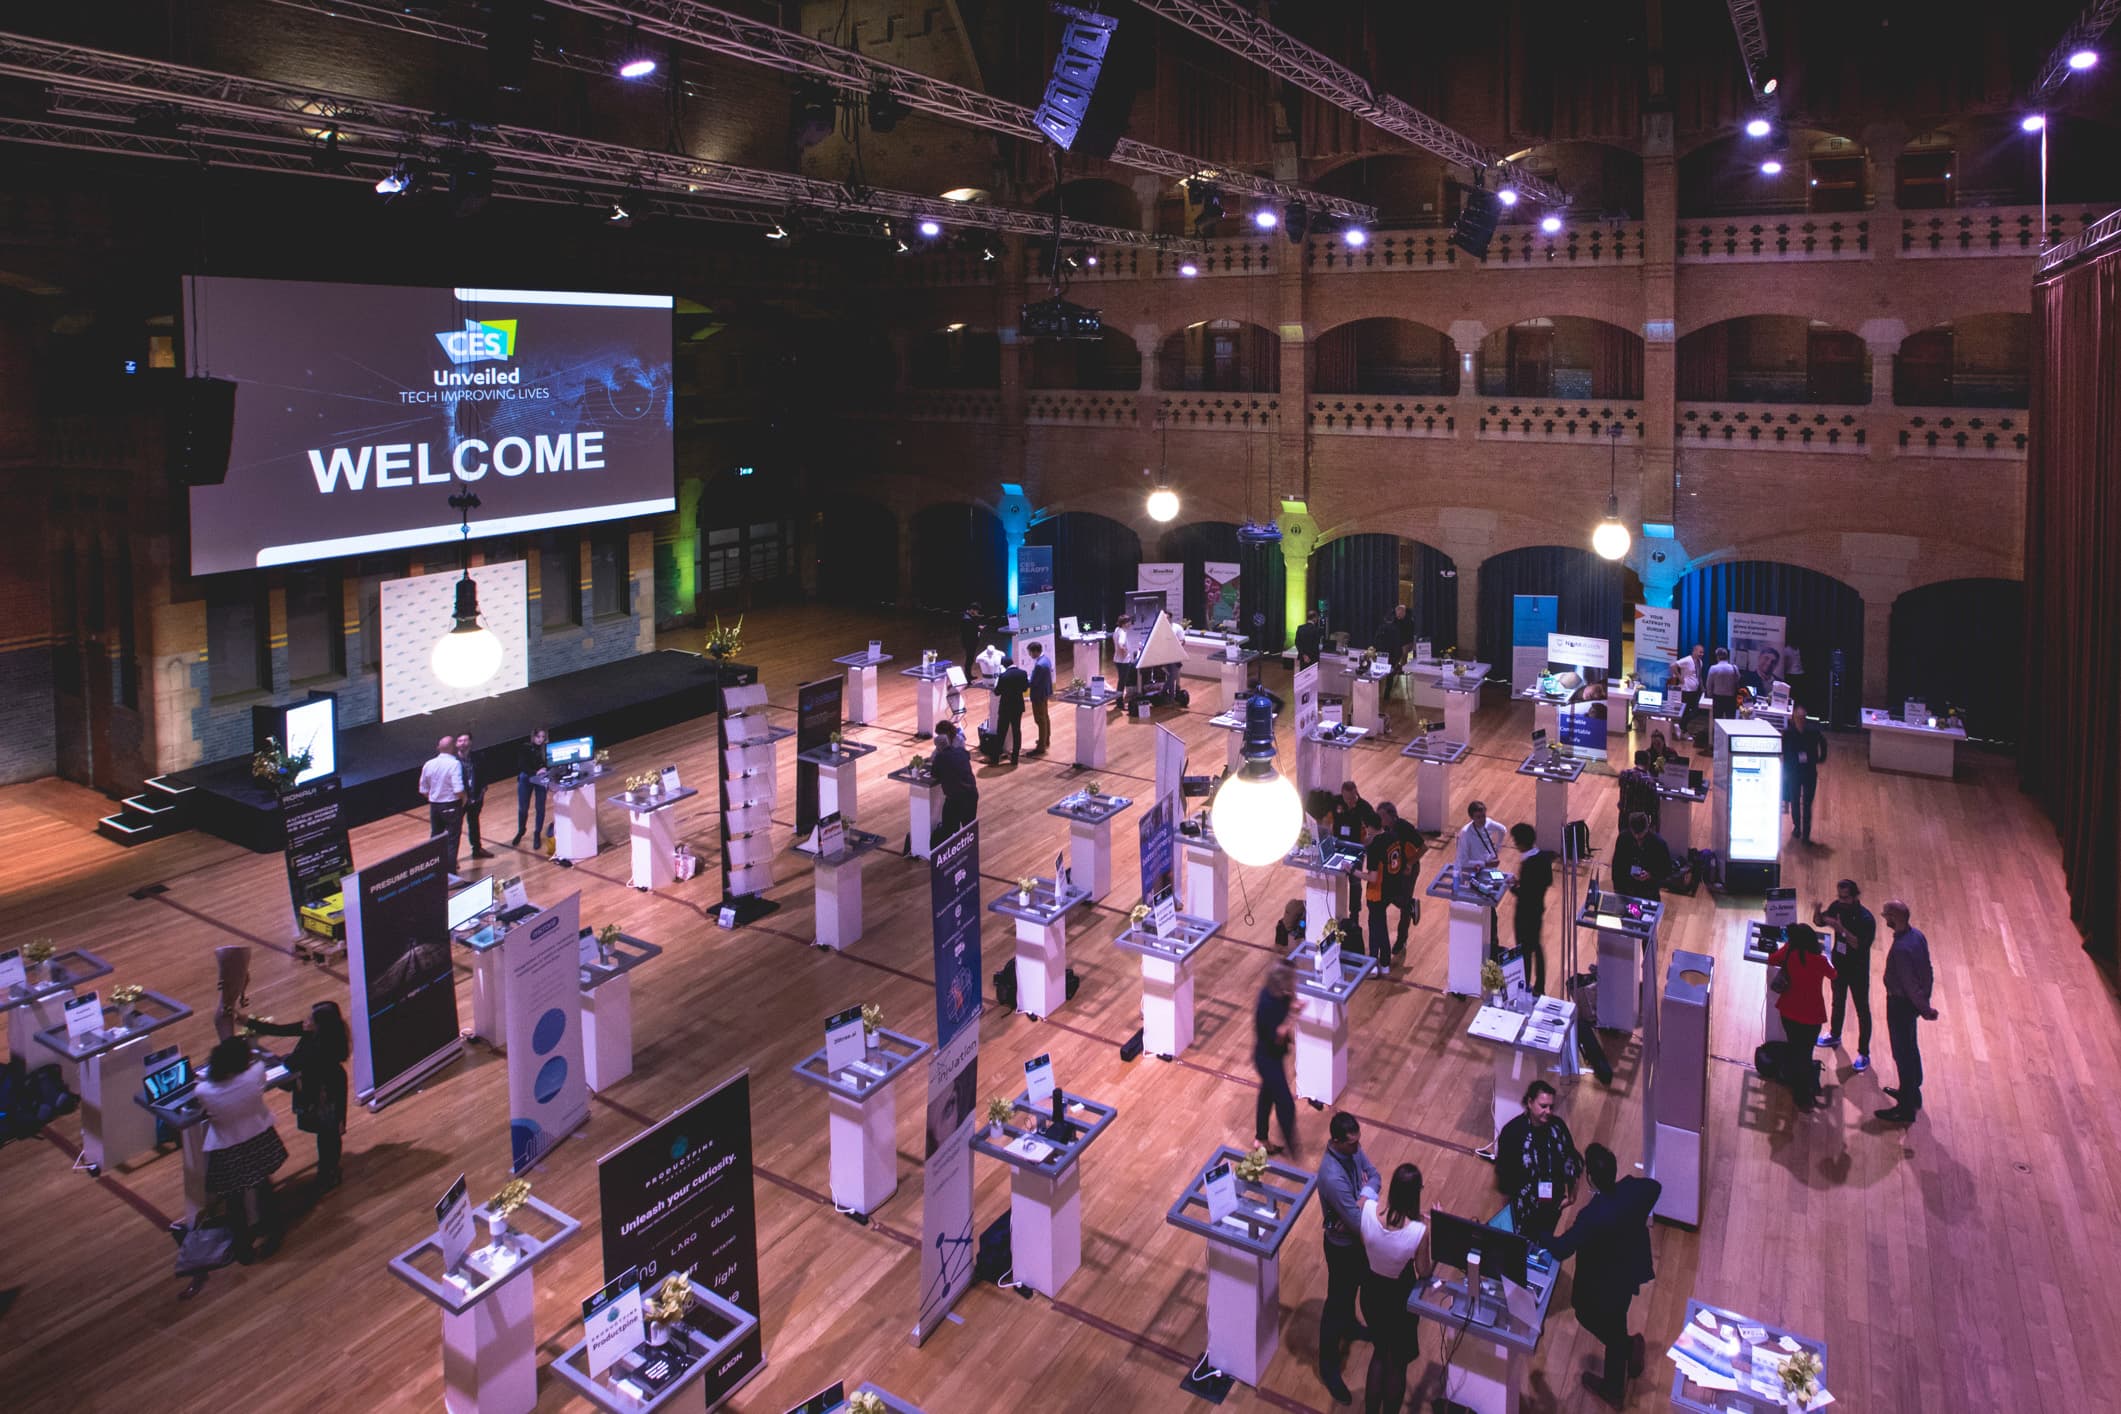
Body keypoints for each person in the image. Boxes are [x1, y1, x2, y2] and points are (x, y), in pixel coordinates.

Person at [1543, 1142, 1661, 1407]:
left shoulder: (1591, 1217)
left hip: (1599, 1286)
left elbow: (1562, 1249)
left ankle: (1615, 1383)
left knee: (1587, 1315)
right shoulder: (1631, 1190)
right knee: (1617, 1318)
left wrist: (1540, 1235)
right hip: (1626, 1276)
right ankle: (1626, 1349)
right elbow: (1655, 1188)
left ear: (1590, 1179)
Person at [197, 1035, 288, 1263]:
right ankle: (273, 1232)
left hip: (228, 1146)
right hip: (258, 1138)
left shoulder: (204, 1090)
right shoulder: (254, 1073)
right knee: (264, 1187)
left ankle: (242, 1247)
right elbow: (257, 1065)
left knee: (234, 1200)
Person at [245, 1000, 351, 1192]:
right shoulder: (323, 1032)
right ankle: (329, 1170)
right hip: (330, 1086)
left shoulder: (317, 1046)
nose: (306, 1020)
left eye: (311, 1018)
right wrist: (247, 1022)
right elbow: (281, 1030)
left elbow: (292, 1064)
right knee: (330, 1132)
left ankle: (328, 1174)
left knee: (328, 1134)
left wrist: (264, 1056)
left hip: (324, 1093)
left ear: (319, 1025)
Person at [1315, 1111, 1382, 1405]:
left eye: (1358, 1143)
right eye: (1353, 1145)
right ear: (1336, 1142)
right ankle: (1328, 1367)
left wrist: (1363, 1198)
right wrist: (1364, 1205)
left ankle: (1350, 1326)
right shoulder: (1331, 1175)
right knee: (1337, 1301)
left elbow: (1376, 1175)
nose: (1358, 1148)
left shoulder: (1352, 1150)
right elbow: (1356, 1224)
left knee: (1353, 1290)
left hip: (1355, 1242)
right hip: (1341, 1247)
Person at [1359, 1163, 1427, 1414]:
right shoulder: (1418, 1232)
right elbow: (1424, 1271)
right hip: (1399, 1302)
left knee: (1379, 1352)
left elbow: (1364, 1204)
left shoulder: (1367, 1211)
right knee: (1397, 1363)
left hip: (1370, 1294)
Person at [1494, 1079, 1581, 1241]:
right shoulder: (1512, 1134)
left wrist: (1571, 1196)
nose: (1548, 1111)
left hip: (1552, 1205)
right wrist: (1507, 1213)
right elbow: (1504, 1176)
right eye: (1543, 1106)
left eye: (1551, 1107)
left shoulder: (1558, 1127)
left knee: (1544, 1240)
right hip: (1523, 1209)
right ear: (1529, 1102)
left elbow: (1572, 1160)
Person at [1876, 900, 1938, 1124]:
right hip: (1910, 1005)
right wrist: (1924, 1002)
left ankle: (1905, 1108)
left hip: (1900, 1005)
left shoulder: (1901, 949)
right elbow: (1927, 971)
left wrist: (1925, 1009)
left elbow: (1909, 983)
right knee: (1911, 1047)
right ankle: (1911, 1092)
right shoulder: (1917, 936)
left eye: (1887, 915)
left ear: (1896, 917)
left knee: (1902, 1053)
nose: (1885, 918)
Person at [1768, 923, 1836, 1110]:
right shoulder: (1820, 960)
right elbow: (1833, 974)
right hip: (1812, 1015)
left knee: (1795, 1047)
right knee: (1805, 1052)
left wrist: (1785, 947)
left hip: (1789, 1011)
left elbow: (1772, 959)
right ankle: (1803, 1093)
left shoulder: (1790, 952)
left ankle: (1798, 1085)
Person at [1814, 879, 1879, 1071]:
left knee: (1862, 1010)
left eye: (1845, 897)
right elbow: (1819, 921)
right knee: (1838, 1001)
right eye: (1839, 896)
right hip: (1840, 965)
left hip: (1858, 970)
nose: (1841, 900)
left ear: (1855, 896)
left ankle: (1864, 1053)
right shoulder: (1837, 907)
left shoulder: (1866, 919)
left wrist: (1841, 929)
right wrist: (1817, 912)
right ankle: (1835, 1034)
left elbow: (1858, 944)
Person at [1362, 802, 1423, 962]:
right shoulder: (1386, 831)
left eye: (1381, 816)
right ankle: (1408, 904)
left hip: (1409, 868)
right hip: (1395, 869)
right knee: (1392, 895)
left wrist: (1410, 864)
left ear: (1391, 815)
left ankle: (1401, 939)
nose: (1379, 819)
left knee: (1402, 902)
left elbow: (1424, 847)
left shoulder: (1404, 827)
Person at [1253, 963, 1299, 1159]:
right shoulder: (1267, 1004)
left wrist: (1293, 1004)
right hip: (1267, 1058)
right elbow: (1279, 1035)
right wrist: (1292, 1016)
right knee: (1286, 1102)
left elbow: (1291, 1000)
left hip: (1274, 1056)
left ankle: (1261, 1138)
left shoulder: (1280, 993)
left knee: (1267, 1095)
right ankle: (1292, 1146)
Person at [1509, 822, 1553, 995]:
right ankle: (1540, 986)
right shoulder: (1543, 857)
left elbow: (1524, 893)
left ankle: (1524, 984)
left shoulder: (1528, 864)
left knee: (1524, 950)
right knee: (1537, 947)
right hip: (1538, 910)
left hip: (1525, 913)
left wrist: (1513, 887)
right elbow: (1546, 881)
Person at [1781, 703, 1828, 843]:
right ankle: (1797, 828)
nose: (1801, 720)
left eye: (1803, 718)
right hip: (1794, 772)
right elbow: (1783, 751)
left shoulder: (1812, 731)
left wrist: (1821, 758)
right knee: (1795, 801)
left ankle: (1806, 834)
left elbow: (1823, 742)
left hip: (1809, 772)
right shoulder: (1788, 733)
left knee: (1807, 804)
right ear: (1794, 718)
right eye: (1798, 718)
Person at [418, 735, 464, 873]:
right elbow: (458, 789)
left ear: (438, 748)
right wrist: (464, 798)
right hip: (451, 805)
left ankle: (434, 872)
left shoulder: (428, 764)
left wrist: (434, 799)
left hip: (435, 807)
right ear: (453, 748)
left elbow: (423, 789)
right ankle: (450, 876)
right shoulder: (454, 764)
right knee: (451, 841)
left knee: (436, 840)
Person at [928, 721, 978, 847]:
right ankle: (969, 854)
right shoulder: (961, 752)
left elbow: (934, 774)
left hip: (955, 798)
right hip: (971, 794)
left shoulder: (941, 757)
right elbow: (964, 757)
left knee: (948, 828)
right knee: (969, 828)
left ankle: (948, 855)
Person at [1609, 811, 1674, 901]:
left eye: (1640, 835)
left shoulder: (1659, 844)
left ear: (1647, 828)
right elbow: (1617, 865)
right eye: (1634, 834)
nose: (1637, 837)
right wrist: (1617, 890)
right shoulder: (1623, 839)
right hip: (1626, 890)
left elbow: (1667, 870)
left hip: (1649, 892)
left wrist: (1651, 875)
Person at [512, 727, 550, 850]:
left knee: (540, 807)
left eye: (543, 737)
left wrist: (545, 770)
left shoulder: (546, 749)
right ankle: (521, 830)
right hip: (526, 778)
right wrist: (535, 771)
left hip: (541, 779)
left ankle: (537, 833)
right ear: (533, 736)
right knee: (523, 807)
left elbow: (549, 764)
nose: (541, 739)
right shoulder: (525, 747)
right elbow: (522, 765)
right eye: (538, 737)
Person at [455, 733, 491, 861]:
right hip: (459, 801)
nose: (462, 743)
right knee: (455, 829)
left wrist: (483, 790)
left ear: (470, 742)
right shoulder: (453, 761)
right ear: (456, 744)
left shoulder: (478, 757)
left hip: (475, 797)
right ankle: (452, 858)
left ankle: (477, 849)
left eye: (465, 740)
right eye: (459, 740)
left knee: (474, 824)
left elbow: (484, 773)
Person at [993, 656, 1030, 766]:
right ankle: (1015, 758)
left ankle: (995, 758)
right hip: (1017, 706)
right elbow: (1025, 688)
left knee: (1001, 732)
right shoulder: (1023, 673)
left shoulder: (1003, 676)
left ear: (1003, 665)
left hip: (1005, 707)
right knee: (1016, 731)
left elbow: (997, 692)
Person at [1617, 751, 1662, 834]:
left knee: (1623, 841)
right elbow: (1654, 807)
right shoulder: (1649, 782)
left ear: (1635, 761)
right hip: (1640, 820)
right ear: (1649, 762)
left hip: (1623, 817)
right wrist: (1654, 825)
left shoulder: (1624, 775)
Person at [1026, 640, 1053, 755]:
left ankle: (1041, 746)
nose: (1029, 655)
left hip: (1038, 694)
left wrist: (1023, 680)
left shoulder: (1039, 665)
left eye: (1030, 653)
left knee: (1040, 719)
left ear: (1035, 652)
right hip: (1045, 692)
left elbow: (1032, 683)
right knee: (1045, 717)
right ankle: (1045, 739)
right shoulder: (1046, 660)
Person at [1705, 647, 1740, 720]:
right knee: (1730, 720)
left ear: (1717, 657)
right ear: (1727, 656)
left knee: (1717, 720)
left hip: (1717, 698)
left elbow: (1709, 684)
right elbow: (1738, 680)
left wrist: (1709, 696)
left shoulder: (1713, 668)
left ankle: (1716, 731)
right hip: (1731, 698)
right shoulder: (1734, 668)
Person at [1676, 644, 1706, 724]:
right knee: (1685, 711)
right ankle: (1682, 729)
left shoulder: (1700, 662)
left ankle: (1680, 726)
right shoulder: (1687, 660)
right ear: (1694, 651)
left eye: (1703, 653)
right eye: (1700, 652)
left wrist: (1703, 689)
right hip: (1686, 690)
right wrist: (1679, 677)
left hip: (1694, 691)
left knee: (1696, 711)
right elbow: (1673, 666)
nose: (1702, 654)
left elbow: (1699, 676)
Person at [958, 600, 984, 667]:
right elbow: (970, 630)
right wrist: (979, 628)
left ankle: (968, 675)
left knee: (970, 658)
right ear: (972, 609)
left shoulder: (968, 616)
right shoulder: (967, 619)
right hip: (969, 642)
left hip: (971, 641)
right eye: (976, 611)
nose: (977, 612)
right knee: (969, 658)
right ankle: (968, 675)